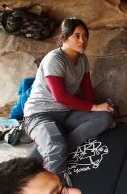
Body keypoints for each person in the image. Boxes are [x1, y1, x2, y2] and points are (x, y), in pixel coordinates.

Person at [23, 17, 115, 173]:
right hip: (40, 115)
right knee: (56, 146)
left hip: (66, 114)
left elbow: (87, 91)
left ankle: (55, 149)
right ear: (65, 37)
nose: (82, 40)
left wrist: (98, 110)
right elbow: (61, 97)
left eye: (85, 36)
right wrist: (94, 107)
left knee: (104, 117)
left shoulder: (82, 59)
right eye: (76, 36)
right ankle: (55, 178)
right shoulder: (55, 59)